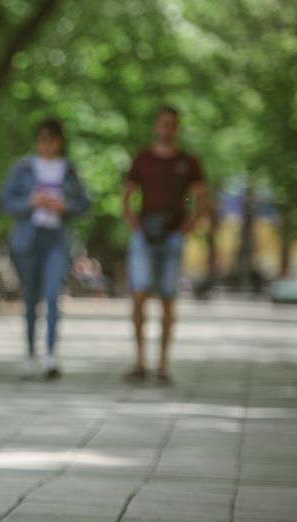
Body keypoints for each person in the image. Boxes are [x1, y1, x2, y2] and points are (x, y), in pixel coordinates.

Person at [0, 118, 91, 380]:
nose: (46, 144)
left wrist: (65, 205)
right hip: (28, 238)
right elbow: (5, 200)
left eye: (51, 139)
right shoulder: (24, 167)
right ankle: (29, 354)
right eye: (42, 139)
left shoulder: (69, 170)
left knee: (52, 295)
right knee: (30, 297)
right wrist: (31, 202)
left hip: (56, 239)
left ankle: (51, 355)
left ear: (60, 141)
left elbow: (84, 203)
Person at [123, 106, 207, 384]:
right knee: (139, 294)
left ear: (177, 127)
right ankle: (139, 361)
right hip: (144, 236)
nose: (166, 129)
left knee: (169, 298)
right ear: (155, 126)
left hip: (172, 237)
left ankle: (162, 364)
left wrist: (184, 229)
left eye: (171, 124)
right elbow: (126, 197)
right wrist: (136, 226)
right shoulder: (143, 159)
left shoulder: (188, 162)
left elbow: (200, 201)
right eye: (161, 124)